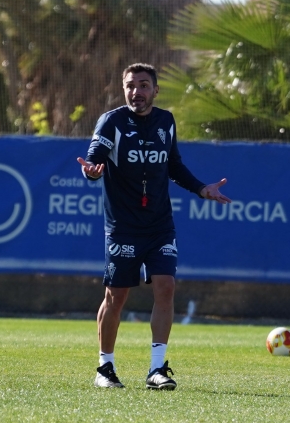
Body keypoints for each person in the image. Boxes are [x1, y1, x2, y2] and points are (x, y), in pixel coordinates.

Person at [77, 63, 231, 390]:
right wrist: (90, 171)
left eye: (144, 85)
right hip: (123, 225)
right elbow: (94, 157)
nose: (137, 91)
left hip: (160, 223)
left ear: (155, 90)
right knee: (116, 296)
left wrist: (202, 188)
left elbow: (174, 166)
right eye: (131, 85)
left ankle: (157, 370)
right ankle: (105, 368)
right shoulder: (112, 122)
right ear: (124, 90)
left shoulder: (166, 121)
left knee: (166, 287)